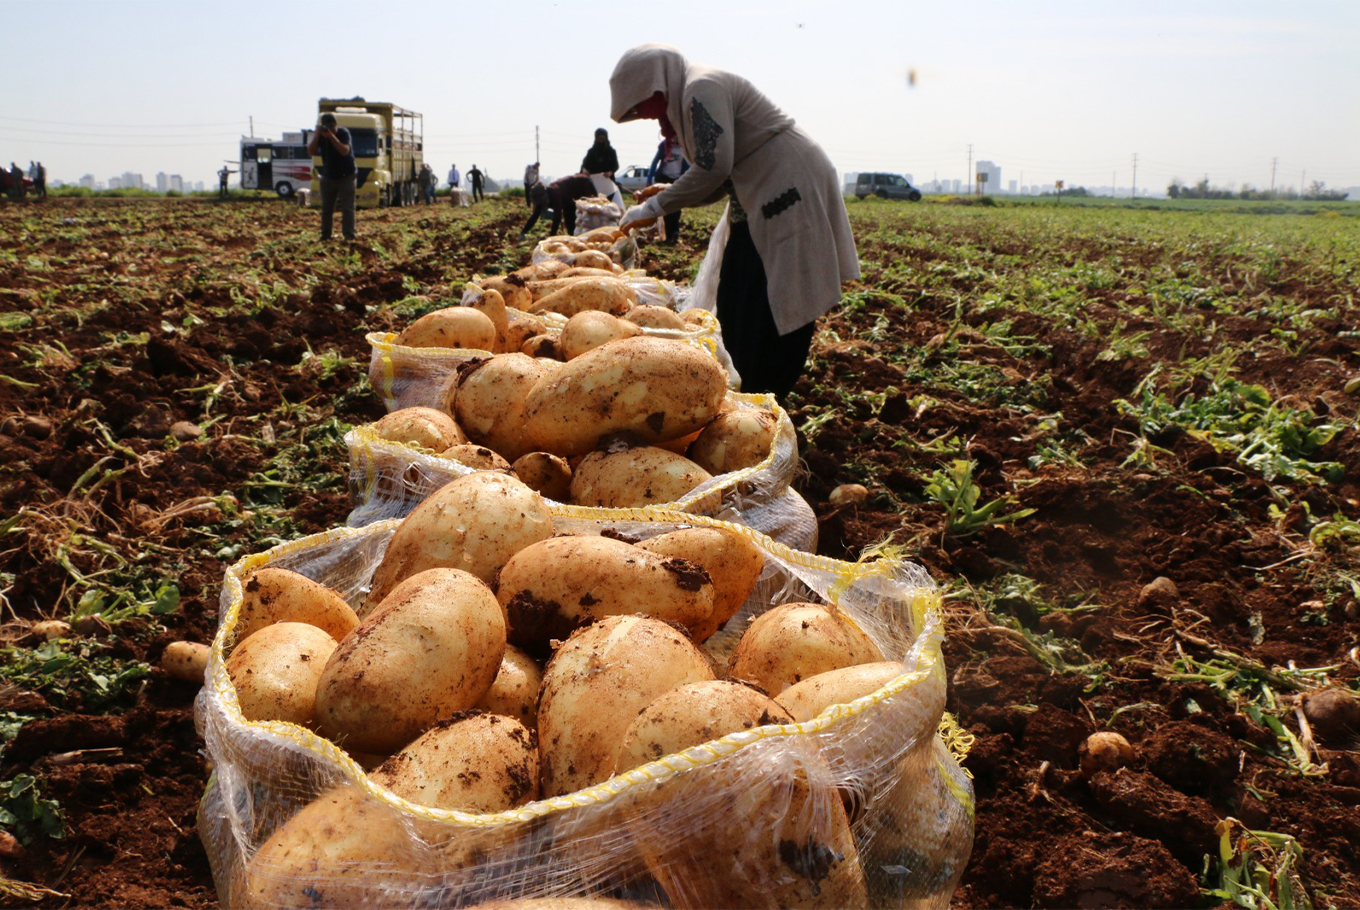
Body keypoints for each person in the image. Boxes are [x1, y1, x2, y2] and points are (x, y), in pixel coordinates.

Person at [611, 44, 859, 402]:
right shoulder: (693, 90)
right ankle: (752, 388)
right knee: (740, 296)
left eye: (651, 112)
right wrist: (667, 192)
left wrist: (656, 205)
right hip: (758, 192)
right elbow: (720, 177)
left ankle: (764, 393)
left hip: (787, 185)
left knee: (774, 295)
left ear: (655, 86)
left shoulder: (701, 87)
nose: (660, 125)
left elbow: (712, 169)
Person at [306, 113, 357, 241]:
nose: (330, 129)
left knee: (347, 208)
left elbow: (345, 151)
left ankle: (349, 235)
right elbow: (311, 151)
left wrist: (332, 137)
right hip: (328, 176)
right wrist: (317, 135)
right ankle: (325, 235)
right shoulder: (320, 135)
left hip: (346, 175)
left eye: (333, 126)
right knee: (327, 208)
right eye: (328, 126)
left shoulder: (343, 133)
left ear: (336, 125)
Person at [520, 174, 599, 238]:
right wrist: (524, 232)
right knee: (570, 224)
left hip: (582, 186)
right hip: (568, 199)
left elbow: (557, 217)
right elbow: (535, 215)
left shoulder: (554, 193)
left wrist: (551, 237)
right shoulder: (541, 199)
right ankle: (575, 238)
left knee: (586, 216)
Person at [646, 135, 688, 242]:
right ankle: (669, 235)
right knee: (665, 207)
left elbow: (688, 165)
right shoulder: (664, 145)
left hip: (677, 180)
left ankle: (674, 233)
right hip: (664, 179)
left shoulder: (686, 146)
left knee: (676, 208)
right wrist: (649, 178)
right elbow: (655, 162)